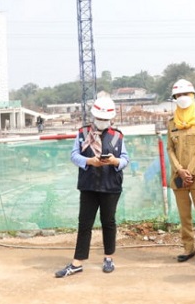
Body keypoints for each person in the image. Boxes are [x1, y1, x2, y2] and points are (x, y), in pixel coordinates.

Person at [55, 96, 129, 277]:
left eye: (105, 119)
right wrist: (89, 161)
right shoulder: (82, 133)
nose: (102, 122)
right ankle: (77, 262)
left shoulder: (117, 136)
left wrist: (114, 161)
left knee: (108, 222)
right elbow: (74, 155)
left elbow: (125, 159)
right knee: (85, 223)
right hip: (88, 185)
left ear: (111, 119)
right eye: (100, 118)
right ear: (94, 116)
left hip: (110, 186)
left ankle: (109, 258)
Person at [167, 79, 195, 265]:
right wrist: (180, 170)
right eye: (178, 95)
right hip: (179, 176)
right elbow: (170, 149)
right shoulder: (171, 123)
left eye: (185, 94)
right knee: (184, 216)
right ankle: (188, 248)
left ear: (193, 96)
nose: (182, 98)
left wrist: (190, 171)